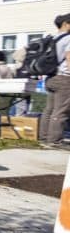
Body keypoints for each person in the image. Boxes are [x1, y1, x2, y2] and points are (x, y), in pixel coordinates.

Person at [40, 13, 70, 149]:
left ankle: (44, 138)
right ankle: (55, 141)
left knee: (49, 109)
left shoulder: (53, 38)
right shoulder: (69, 38)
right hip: (64, 78)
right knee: (61, 111)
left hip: (50, 78)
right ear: (66, 24)